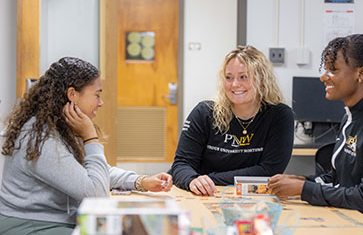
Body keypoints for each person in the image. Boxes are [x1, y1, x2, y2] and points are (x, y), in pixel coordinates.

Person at [0, 57, 173, 235]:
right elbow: (97, 196)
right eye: (97, 94)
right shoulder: (40, 138)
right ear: (72, 94)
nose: (100, 103)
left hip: (50, 221)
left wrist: (140, 181)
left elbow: (90, 173)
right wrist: (90, 137)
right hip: (30, 225)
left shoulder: (57, 126)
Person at [268, 34, 363, 218]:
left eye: (333, 69)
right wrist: (300, 181)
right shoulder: (350, 116)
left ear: (362, 73)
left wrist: (304, 189)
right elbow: (338, 182)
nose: (323, 77)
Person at [170, 45, 294, 196]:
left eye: (243, 77)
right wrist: (192, 180)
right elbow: (182, 164)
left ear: (261, 79)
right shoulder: (204, 112)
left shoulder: (279, 115)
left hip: (249, 198)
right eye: (228, 77)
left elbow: (269, 171)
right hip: (201, 194)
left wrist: (209, 179)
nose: (235, 84)